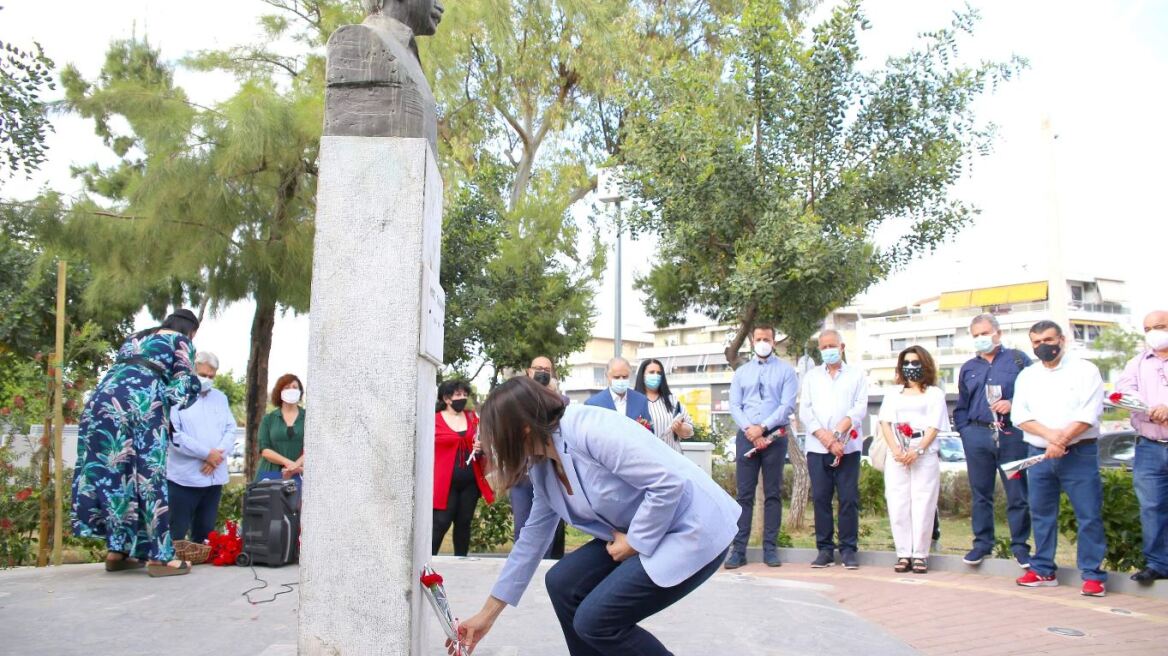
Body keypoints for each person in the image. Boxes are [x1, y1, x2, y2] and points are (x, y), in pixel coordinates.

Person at [450, 377, 740, 656]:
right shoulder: (541, 462)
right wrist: (486, 616)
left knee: (596, 621)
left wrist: (636, 541)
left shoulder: (589, 428)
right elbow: (532, 539)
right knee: (563, 583)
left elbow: (668, 483)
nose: (491, 444)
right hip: (645, 528)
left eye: (495, 434)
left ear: (522, 429)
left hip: (693, 525)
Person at [71, 309, 202, 577]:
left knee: (116, 474)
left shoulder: (135, 338)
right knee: (148, 476)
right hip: (139, 407)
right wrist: (191, 391)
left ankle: (118, 552)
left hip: (100, 404)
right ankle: (161, 558)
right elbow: (181, 388)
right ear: (192, 330)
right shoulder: (181, 341)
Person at [1012, 320, 1107, 596]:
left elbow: (1089, 414)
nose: (1043, 346)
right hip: (1040, 454)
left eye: (1048, 340)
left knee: (1088, 514)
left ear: (1062, 340)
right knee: (1041, 514)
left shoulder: (1085, 370)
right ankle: (1043, 569)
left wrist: (1062, 441)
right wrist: (1051, 438)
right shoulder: (1028, 376)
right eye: (1037, 342)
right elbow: (1020, 416)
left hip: (1079, 453)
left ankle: (1092, 575)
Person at [952, 313, 1034, 569]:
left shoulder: (1019, 360)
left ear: (998, 333)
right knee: (980, 493)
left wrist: (1014, 403)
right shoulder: (969, 367)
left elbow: (1036, 394)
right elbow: (962, 404)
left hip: (1012, 435)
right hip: (977, 434)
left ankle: (1020, 547)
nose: (981, 339)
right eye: (976, 335)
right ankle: (982, 544)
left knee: (1017, 493)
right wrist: (966, 431)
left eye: (985, 333)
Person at [725, 324, 798, 569]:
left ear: (774, 342)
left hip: (774, 437)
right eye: (758, 338)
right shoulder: (742, 372)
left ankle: (770, 549)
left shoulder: (787, 372)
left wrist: (763, 427)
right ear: (752, 342)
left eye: (767, 338)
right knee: (744, 495)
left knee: (773, 493)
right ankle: (739, 550)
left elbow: (787, 406)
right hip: (747, 435)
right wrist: (750, 429)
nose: (763, 342)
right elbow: (735, 405)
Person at [798, 329, 867, 570]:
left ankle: (848, 549)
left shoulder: (857, 375)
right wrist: (826, 437)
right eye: (823, 347)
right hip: (818, 448)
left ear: (842, 347)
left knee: (848, 499)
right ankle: (824, 550)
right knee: (820, 499)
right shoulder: (811, 377)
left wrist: (839, 433)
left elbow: (859, 408)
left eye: (832, 346)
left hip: (847, 447)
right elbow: (805, 410)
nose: (828, 351)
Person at [877, 345, 949, 574]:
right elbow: (885, 423)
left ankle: (920, 554)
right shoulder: (893, 393)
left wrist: (917, 451)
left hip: (923, 455)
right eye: (906, 363)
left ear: (924, 364)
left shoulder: (934, 394)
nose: (910, 367)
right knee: (898, 504)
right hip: (896, 454)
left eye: (915, 362)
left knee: (923, 504)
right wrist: (897, 450)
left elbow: (934, 426)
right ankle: (903, 553)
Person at [1118, 310, 1168, 583]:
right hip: (1149, 446)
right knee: (1152, 507)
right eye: (1148, 328)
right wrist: (1147, 408)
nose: (1154, 333)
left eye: (1160, 326)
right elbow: (1123, 393)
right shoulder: (1136, 363)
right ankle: (1158, 564)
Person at [167, 350, 237, 546]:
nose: (207, 379)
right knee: (176, 536)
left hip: (213, 478)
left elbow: (231, 429)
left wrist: (217, 456)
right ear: (192, 371)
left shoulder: (220, 398)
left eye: (211, 376)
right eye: (203, 375)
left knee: (205, 538)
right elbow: (175, 435)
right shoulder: (176, 397)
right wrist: (207, 454)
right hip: (184, 479)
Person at [510, 356, 567, 560]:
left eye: (547, 369)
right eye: (538, 368)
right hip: (522, 474)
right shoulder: (516, 399)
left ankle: (546, 572)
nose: (542, 372)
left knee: (549, 530)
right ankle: (522, 570)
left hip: (550, 472)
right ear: (528, 371)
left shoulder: (560, 401)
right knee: (524, 528)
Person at [433, 379, 495, 556]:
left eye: (465, 394)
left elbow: (483, 441)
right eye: (458, 394)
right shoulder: (434, 419)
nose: (463, 398)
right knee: (441, 522)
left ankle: (461, 558)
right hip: (445, 482)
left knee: (464, 522)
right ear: (446, 398)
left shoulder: (472, 417)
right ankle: (428, 561)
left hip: (470, 482)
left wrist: (481, 447)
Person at [255, 374, 306, 492]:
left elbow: (315, 447)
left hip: (299, 473)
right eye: (287, 387)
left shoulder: (308, 418)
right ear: (280, 392)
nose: (291, 390)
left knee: (297, 509)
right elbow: (264, 450)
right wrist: (289, 464)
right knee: (269, 508)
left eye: (295, 387)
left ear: (300, 392)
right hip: (270, 473)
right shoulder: (269, 419)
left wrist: (297, 466)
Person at [634, 358, 694, 452]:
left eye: (659, 373)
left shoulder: (672, 401)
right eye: (651, 372)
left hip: (672, 458)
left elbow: (690, 430)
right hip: (644, 458)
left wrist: (680, 429)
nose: (656, 376)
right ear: (642, 375)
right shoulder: (632, 401)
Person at [584, 357, 653, 429]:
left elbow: (650, 430)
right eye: (616, 377)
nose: (621, 380)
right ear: (606, 376)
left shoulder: (641, 400)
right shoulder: (593, 404)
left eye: (625, 377)